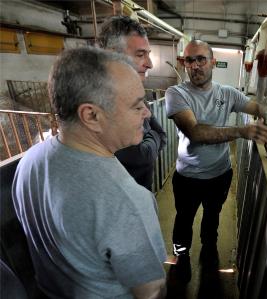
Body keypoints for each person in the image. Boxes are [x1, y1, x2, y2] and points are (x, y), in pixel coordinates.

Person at [12, 47, 167, 298]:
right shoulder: (126, 199)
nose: (147, 113)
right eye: (137, 107)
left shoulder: (30, 161)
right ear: (92, 115)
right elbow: (150, 290)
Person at [165, 39, 267, 282]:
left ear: (213, 63)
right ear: (185, 64)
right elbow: (196, 132)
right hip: (188, 176)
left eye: (201, 59)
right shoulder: (176, 93)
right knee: (183, 219)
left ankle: (209, 249)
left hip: (220, 174)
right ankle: (182, 256)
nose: (196, 65)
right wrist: (241, 132)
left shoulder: (227, 93)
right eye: (190, 60)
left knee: (213, 215)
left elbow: (258, 107)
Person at [98, 16, 166, 191]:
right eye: (140, 54)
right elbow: (141, 156)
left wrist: (151, 139)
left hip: (141, 196)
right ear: (112, 55)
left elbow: (162, 135)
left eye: (148, 54)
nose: (150, 64)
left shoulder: (135, 95)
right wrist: (152, 138)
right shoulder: (100, 103)